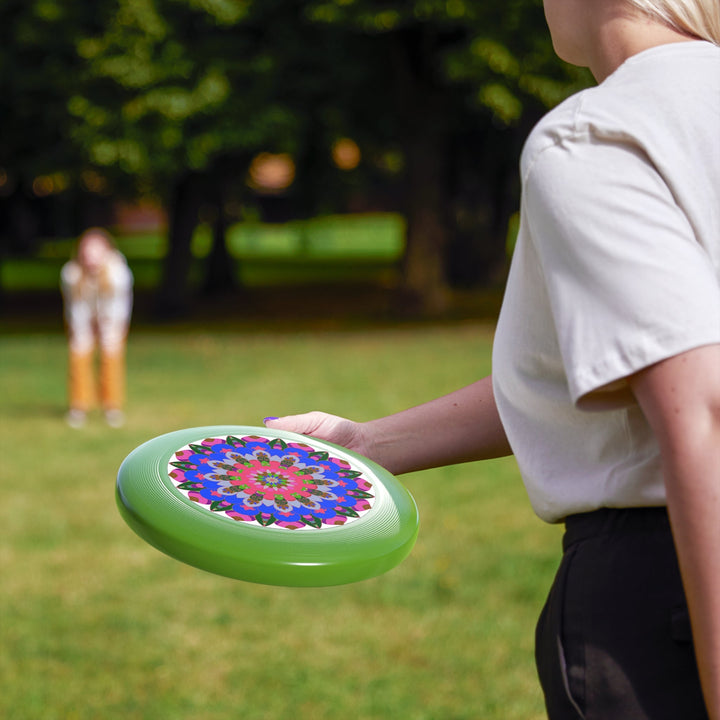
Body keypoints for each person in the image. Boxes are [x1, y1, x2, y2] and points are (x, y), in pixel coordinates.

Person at [264, 1, 720, 717]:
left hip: (669, 594)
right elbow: (610, 370)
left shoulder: (600, 134)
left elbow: (701, 408)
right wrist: (366, 444)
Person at [60, 227, 133, 428]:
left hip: (112, 319)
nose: (91, 257)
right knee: (79, 354)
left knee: (111, 357)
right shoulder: (71, 273)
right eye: (87, 251)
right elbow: (76, 306)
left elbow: (118, 306)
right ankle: (79, 406)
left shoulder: (118, 273)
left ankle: (112, 406)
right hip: (82, 319)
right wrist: (84, 329)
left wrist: (106, 326)